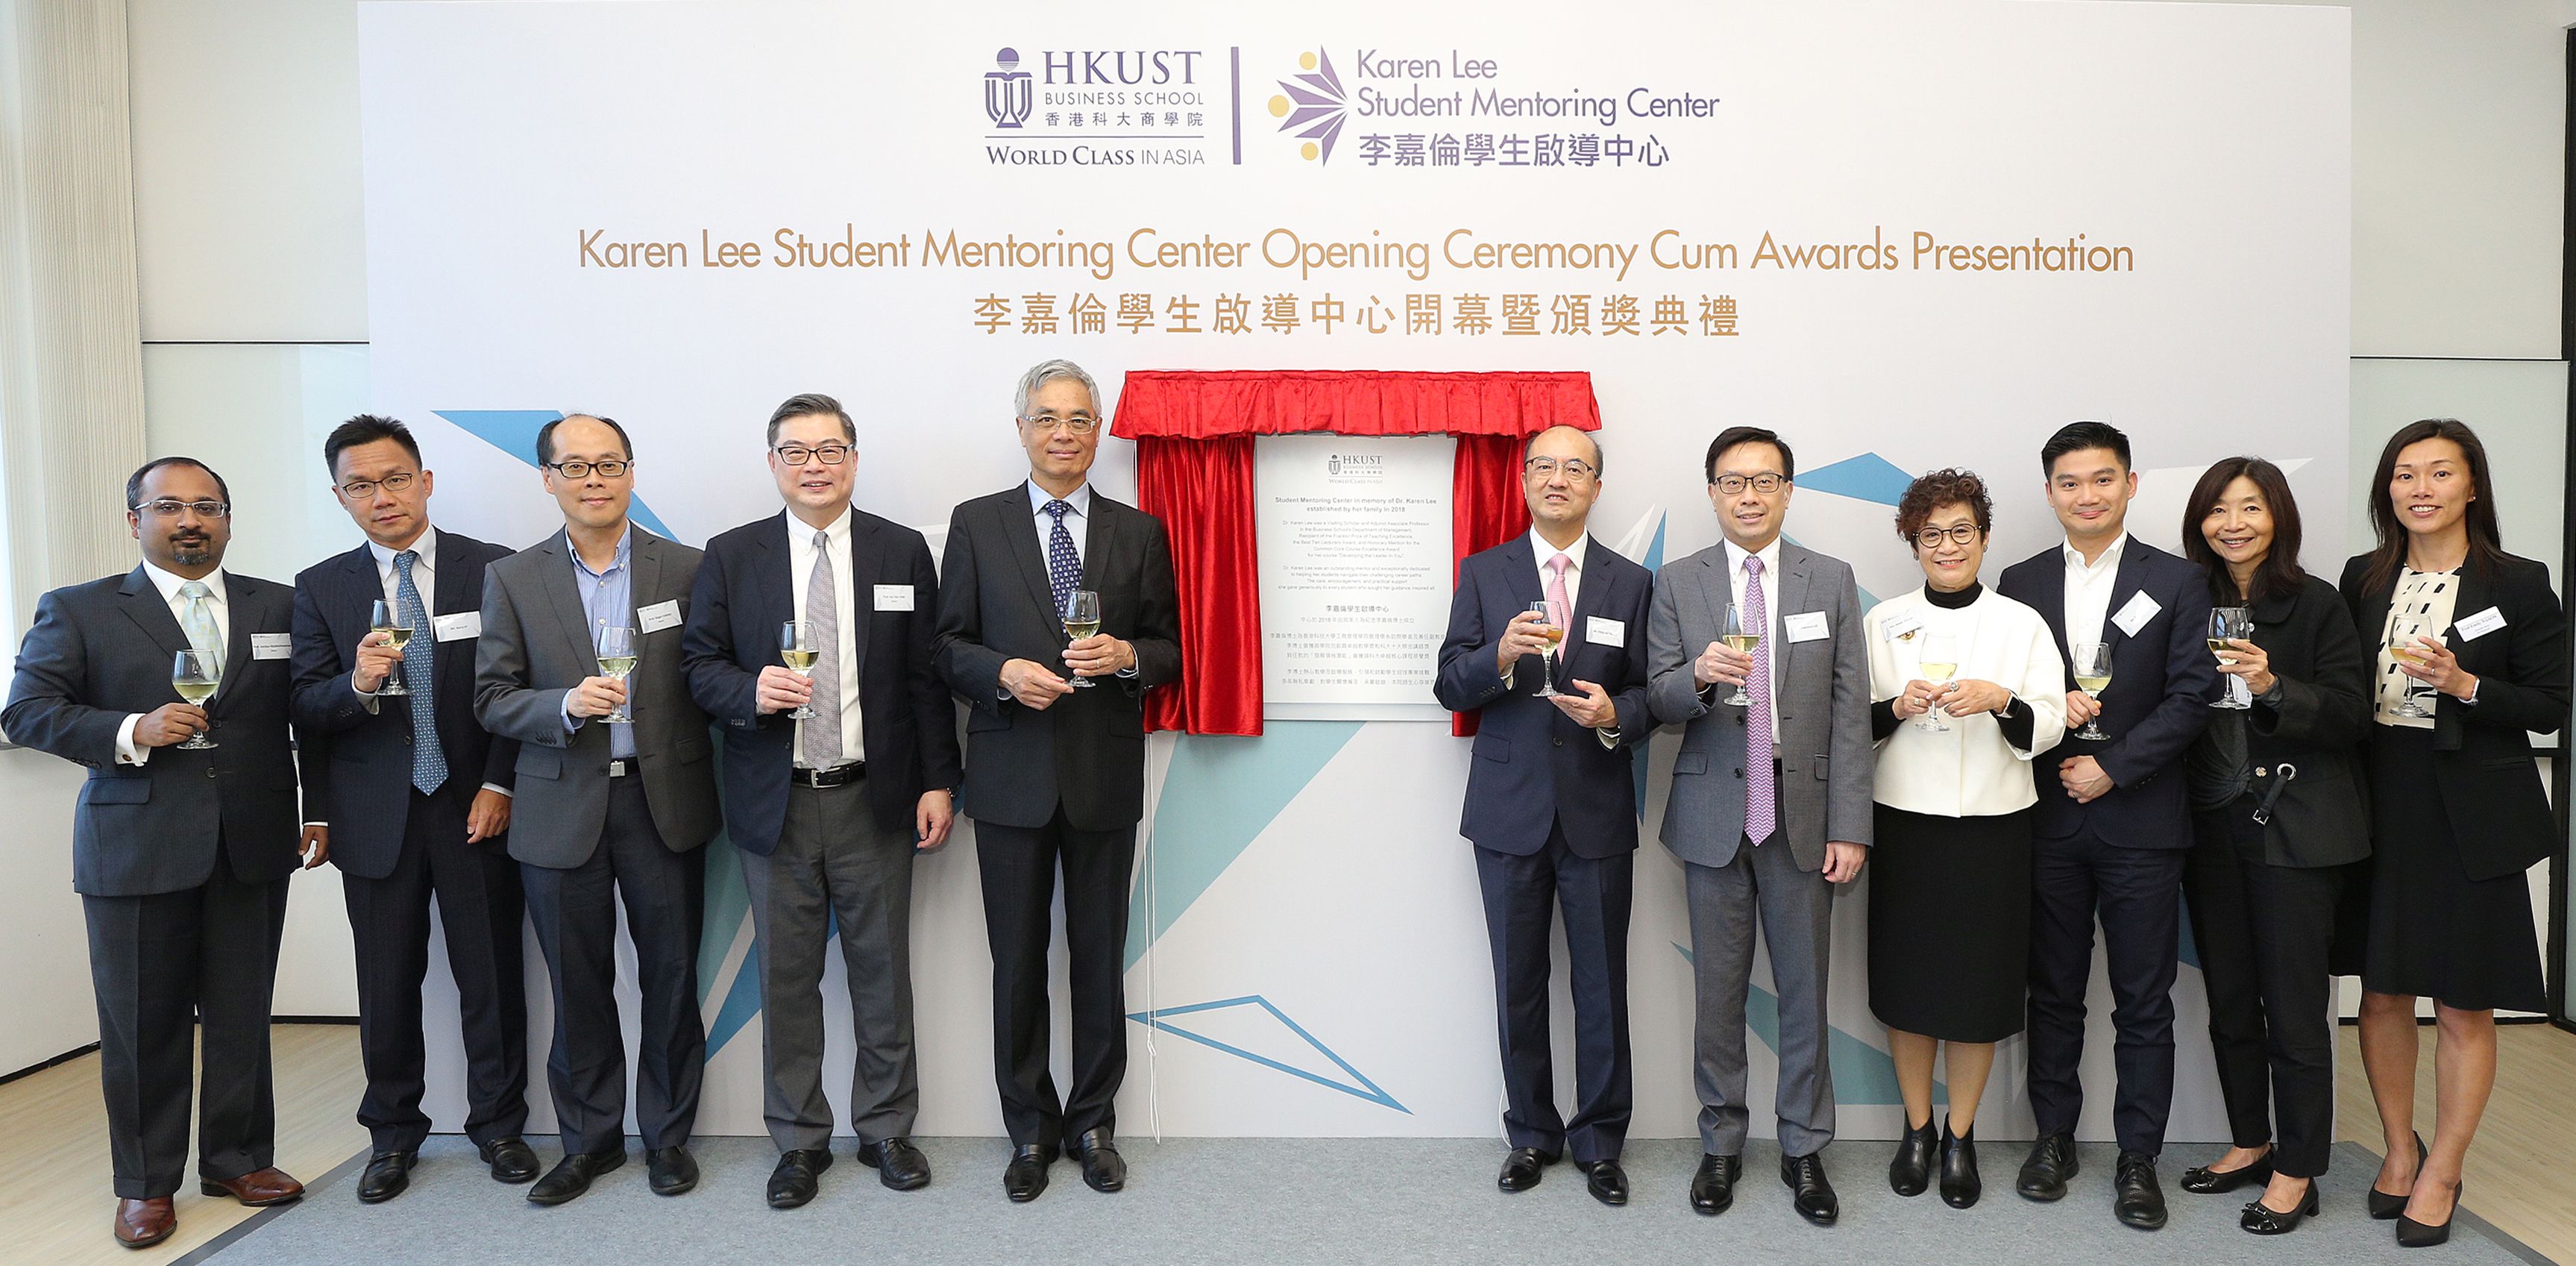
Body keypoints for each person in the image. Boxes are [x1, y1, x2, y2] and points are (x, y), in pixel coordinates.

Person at [3, 458, 320, 1248]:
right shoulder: (77, 609)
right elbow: (27, 712)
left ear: (228, 518)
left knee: (243, 1014)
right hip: (135, 845)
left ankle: (237, 1158)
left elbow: (310, 713)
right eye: (170, 505)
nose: (191, 519)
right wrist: (128, 730)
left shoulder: (278, 603)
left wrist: (324, 811)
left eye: (207, 506)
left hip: (252, 842)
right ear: (133, 519)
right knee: (144, 1022)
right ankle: (145, 1185)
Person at [682, 394, 961, 1209]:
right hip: (777, 799)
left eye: (830, 449)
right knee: (788, 977)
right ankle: (799, 1140)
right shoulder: (732, 556)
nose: (814, 464)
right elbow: (697, 667)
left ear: (853, 459)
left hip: (875, 795)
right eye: (796, 450)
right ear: (772, 463)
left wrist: (939, 777)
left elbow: (925, 679)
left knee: (882, 972)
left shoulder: (899, 549)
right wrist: (748, 688)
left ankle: (884, 1127)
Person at [933, 360, 1181, 1202]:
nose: (1064, 432)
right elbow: (945, 646)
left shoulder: (1137, 531)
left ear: (1098, 429)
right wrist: (1002, 670)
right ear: (1022, 428)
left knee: (1099, 958)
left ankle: (1093, 1122)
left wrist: (1127, 657)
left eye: (1079, 418)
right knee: (1016, 962)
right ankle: (1030, 1130)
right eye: (1047, 417)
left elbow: (1170, 648)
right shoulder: (976, 523)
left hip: (1103, 775)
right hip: (1008, 776)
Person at [474, 414, 720, 1206]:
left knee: (672, 977)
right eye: (574, 466)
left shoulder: (687, 567)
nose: (593, 479)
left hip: (665, 801)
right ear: (547, 478)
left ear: (631, 473)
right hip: (560, 805)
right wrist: (566, 704)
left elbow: (713, 675)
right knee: (577, 985)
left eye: (608, 464)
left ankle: (669, 1136)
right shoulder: (513, 577)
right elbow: (491, 698)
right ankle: (589, 1142)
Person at [289, 416, 536, 1202]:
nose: (381, 495)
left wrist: (501, 783)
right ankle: (392, 1135)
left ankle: (498, 1124)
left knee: (490, 975)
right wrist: (356, 685)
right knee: (386, 981)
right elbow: (302, 703)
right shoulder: (320, 585)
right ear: (340, 496)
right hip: (375, 818)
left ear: (425, 481)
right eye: (360, 484)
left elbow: (515, 689)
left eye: (395, 477)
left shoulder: (492, 568)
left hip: (474, 806)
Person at [2340, 419, 2569, 1248]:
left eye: (2440, 472)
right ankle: (2398, 1150)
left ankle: (2445, 1164)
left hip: (2470, 808)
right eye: (2405, 474)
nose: (2421, 488)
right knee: (2380, 990)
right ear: (2387, 491)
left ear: (2472, 486)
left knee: (2463, 1000)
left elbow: (2550, 701)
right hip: (2381, 800)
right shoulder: (2363, 580)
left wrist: (2466, 682)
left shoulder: (2517, 581)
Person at [1646, 425, 1872, 1226]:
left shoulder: (1830, 578)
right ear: (1711, 491)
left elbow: (1850, 712)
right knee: (1717, 990)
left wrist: (1852, 823)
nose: (1749, 495)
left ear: (1787, 489)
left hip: (1804, 811)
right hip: (1712, 811)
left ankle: (1804, 1147)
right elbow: (1657, 695)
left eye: (1765, 480)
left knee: (1805, 990)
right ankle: (1721, 1142)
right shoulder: (1677, 580)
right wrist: (1697, 680)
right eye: (1733, 481)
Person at [1995, 421, 2217, 1230]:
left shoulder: (2181, 580)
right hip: (2047, 816)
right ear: (2049, 489)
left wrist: (2114, 765)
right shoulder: (2016, 580)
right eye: (2068, 481)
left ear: (2130, 484)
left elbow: (2192, 694)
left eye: (2100, 479)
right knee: (2051, 991)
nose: (2084, 495)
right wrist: (2051, 710)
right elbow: (2006, 690)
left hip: (2140, 819)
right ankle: (2052, 1138)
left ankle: (2137, 1158)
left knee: (2142, 998)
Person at [1433, 424, 1655, 1208]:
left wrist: (1610, 713)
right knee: (1517, 984)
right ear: (1523, 480)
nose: (1557, 479)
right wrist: (1496, 657)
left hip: (1595, 808)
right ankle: (1530, 1132)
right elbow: (1449, 683)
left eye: (1575, 467)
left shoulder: (1630, 581)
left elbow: (1648, 696)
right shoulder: (1484, 571)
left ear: (1596, 484)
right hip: (1508, 809)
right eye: (1543, 467)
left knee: (1601, 985)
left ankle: (1599, 1141)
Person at [2169, 457, 2370, 1235]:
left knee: (2293, 1009)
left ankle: (2298, 1167)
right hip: (2212, 828)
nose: (2233, 523)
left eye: (2250, 507)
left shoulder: (2315, 603)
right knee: (2228, 1001)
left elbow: (2353, 714)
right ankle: (2250, 1139)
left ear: (2277, 516)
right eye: (2218, 509)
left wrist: (2275, 686)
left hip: (2294, 827)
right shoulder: (2191, 598)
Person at [1860, 469, 2066, 1212]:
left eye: (1960, 531)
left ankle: (1960, 1132)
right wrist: (1894, 704)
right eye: (1930, 534)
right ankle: (1915, 1128)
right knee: (1910, 987)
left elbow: (2050, 721)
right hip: (1905, 823)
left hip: (1994, 826)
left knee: (1979, 992)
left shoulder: (2021, 623)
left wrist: (2001, 698)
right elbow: (1852, 722)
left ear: (1982, 537)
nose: (1945, 545)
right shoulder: (1880, 620)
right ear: (1912, 542)